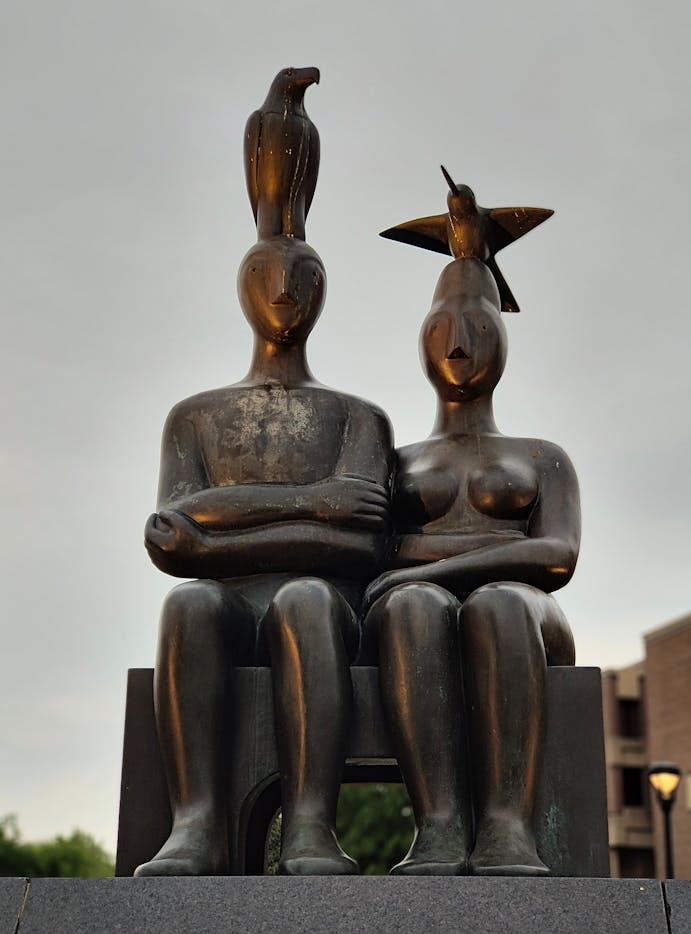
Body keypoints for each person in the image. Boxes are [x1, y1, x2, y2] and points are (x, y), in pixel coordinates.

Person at [135, 233, 393, 876]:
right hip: (228, 602)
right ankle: (195, 824)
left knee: (303, 597)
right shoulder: (194, 417)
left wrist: (216, 538)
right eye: (265, 274)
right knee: (189, 603)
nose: (284, 291)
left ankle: (310, 824)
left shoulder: (358, 418)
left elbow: (362, 546)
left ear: (322, 294)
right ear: (242, 290)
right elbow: (172, 533)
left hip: (329, 614)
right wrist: (314, 499)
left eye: (301, 277)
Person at [363, 256, 580, 875]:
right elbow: (374, 555)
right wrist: (422, 576)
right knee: (411, 607)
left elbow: (557, 557)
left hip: (526, 616)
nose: (458, 344)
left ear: (502, 344)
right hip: (414, 611)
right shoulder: (393, 461)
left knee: (499, 602)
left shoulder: (543, 456)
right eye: (441, 329)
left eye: (477, 329)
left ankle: (508, 826)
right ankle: (438, 822)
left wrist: (423, 564)